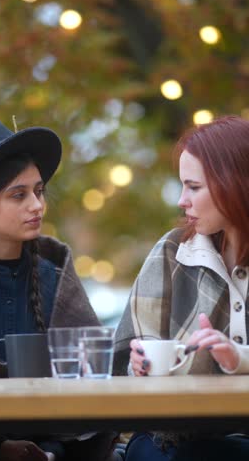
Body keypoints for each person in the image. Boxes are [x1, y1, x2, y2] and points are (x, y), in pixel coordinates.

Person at [113, 115, 249, 460]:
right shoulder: (173, 252)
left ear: (235, 184)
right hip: (176, 436)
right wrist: (139, 365)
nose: (181, 200)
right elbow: (129, 355)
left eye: (194, 187)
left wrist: (237, 358)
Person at [0, 119, 118, 461]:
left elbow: (97, 387)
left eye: (39, 191)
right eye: (19, 195)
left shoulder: (56, 280)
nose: (37, 205)